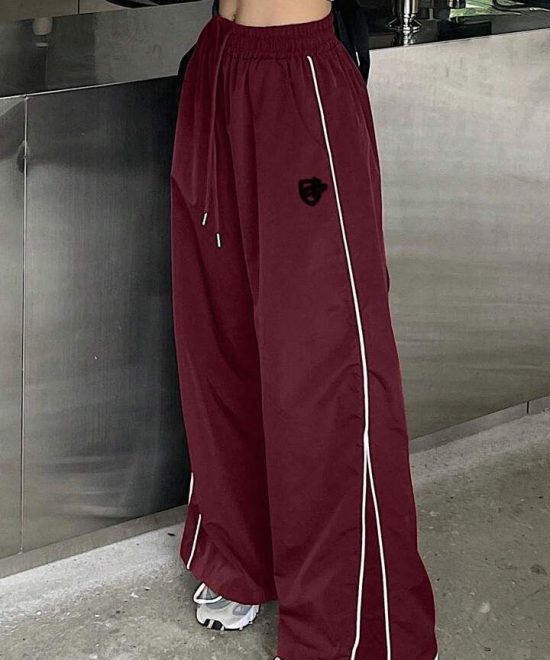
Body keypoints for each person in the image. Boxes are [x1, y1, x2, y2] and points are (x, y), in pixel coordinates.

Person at [169, 1, 439, 658]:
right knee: (222, 341)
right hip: (217, 65)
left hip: (299, 80)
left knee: (325, 362)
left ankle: (352, 627)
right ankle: (243, 555)